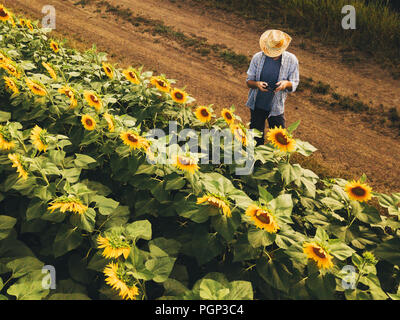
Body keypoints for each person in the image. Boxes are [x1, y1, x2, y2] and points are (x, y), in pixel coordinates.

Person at [246, 29, 300, 146]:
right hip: (257, 105)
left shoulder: (291, 60)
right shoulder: (257, 58)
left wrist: (285, 84)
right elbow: (249, 82)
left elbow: (294, 83)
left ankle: (274, 163)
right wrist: (257, 84)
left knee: (281, 141)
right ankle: (255, 162)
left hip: (276, 107)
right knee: (255, 140)